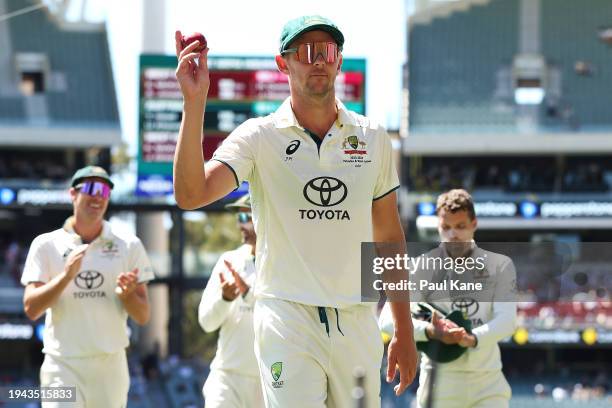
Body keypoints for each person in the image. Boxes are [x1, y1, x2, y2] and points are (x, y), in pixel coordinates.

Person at [173, 15, 417, 408]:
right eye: (304, 52)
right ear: (282, 63)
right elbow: (190, 193)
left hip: (357, 317)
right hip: (286, 317)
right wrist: (194, 101)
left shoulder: (373, 138)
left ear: (339, 61)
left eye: (327, 51)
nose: (317, 60)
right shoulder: (258, 136)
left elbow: (389, 237)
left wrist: (403, 329)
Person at [21, 166, 155, 408]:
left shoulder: (129, 245)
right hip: (61, 366)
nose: (98, 196)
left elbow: (143, 315)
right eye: (91, 188)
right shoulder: (45, 245)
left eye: (104, 190)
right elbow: (31, 308)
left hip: (110, 367)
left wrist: (127, 297)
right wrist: (65, 277)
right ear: (73, 193)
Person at [379, 189, 517, 408]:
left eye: (460, 226)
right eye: (446, 227)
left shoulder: (500, 265)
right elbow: (386, 321)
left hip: (488, 384)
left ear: (474, 223)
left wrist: (469, 338)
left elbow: (507, 321)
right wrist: (432, 331)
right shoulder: (420, 268)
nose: (453, 234)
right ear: (438, 227)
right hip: (438, 384)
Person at [198, 194, 263, 407]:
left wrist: (247, 292)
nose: (240, 225)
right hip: (226, 378)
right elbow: (206, 323)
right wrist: (225, 299)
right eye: (239, 218)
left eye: (247, 217)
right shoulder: (228, 260)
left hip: (269, 379)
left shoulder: (284, 262)